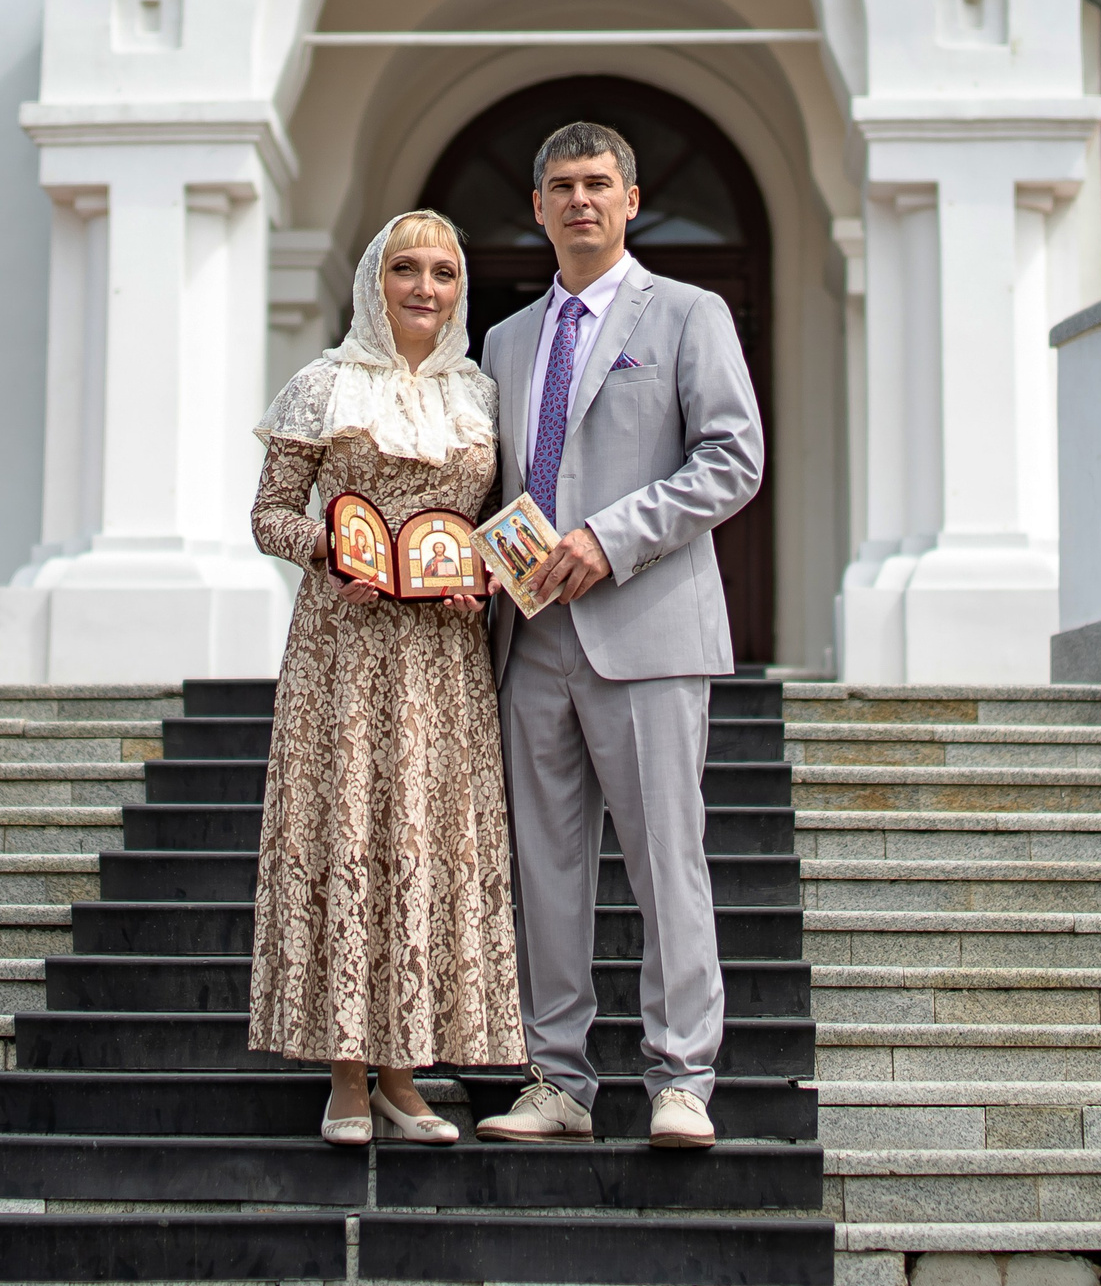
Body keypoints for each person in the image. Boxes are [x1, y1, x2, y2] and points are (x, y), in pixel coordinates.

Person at [472, 122, 765, 1151]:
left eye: (598, 183)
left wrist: (611, 537)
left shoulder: (688, 313)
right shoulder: (504, 340)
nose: (580, 201)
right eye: (561, 186)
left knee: (663, 862)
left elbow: (732, 459)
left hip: (646, 629)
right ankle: (557, 1080)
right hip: (531, 639)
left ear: (631, 200)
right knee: (545, 871)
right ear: (539, 207)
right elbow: (494, 486)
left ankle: (681, 1077)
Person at [248, 210, 523, 1144]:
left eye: (443, 271)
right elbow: (270, 512)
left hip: (443, 656)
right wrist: (328, 545)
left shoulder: (481, 396)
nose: (424, 287)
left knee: (423, 842)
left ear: (460, 288)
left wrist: (483, 575)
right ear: (374, 281)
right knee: (348, 833)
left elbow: (503, 521)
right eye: (405, 268)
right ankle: (345, 1077)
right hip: (345, 647)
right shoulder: (325, 383)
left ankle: (406, 1073)